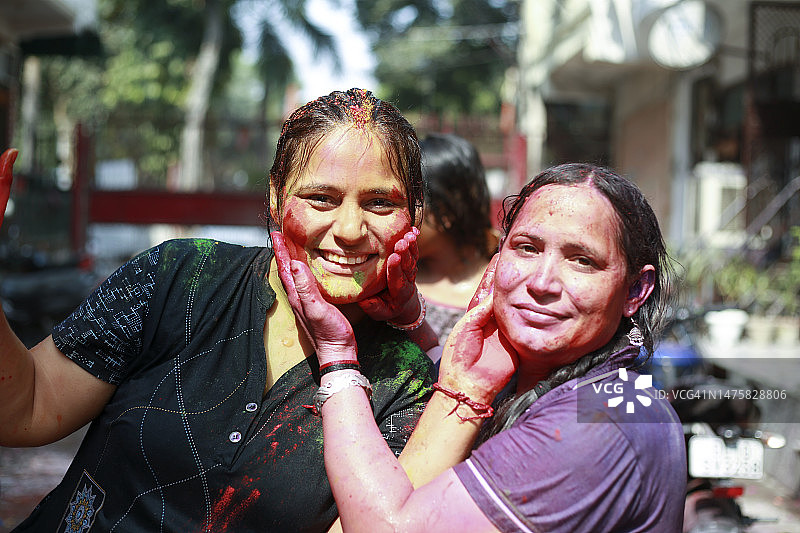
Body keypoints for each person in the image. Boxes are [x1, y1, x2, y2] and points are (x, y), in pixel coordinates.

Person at [0, 88, 437, 532]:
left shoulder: (407, 383)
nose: (349, 229)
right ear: (275, 194)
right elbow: (24, 409)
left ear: (416, 213)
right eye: (321, 198)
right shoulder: (178, 275)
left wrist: (339, 355)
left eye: (380, 202)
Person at [275, 162, 687, 532]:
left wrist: (337, 356)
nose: (542, 282)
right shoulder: (562, 385)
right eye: (527, 248)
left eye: (582, 261)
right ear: (498, 258)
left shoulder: (605, 419)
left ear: (636, 290)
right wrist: (413, 324)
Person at [416, 133, 500, 349]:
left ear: (445, 211)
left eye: (405, 202)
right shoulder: (393, 282)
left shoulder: (501, 288)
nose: (392, 216)